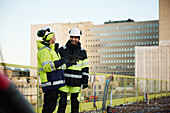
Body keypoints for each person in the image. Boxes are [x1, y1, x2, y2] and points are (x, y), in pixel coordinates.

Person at [37, 27, 75, 113]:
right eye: (54, 35)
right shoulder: (44, 51)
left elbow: (59, 66)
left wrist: (69, 63)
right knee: (48, 108)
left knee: (51, 107)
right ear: (50, 37)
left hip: (54, 83)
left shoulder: (52, 50)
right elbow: (48, 67)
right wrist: (62, 60)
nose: (55, 37)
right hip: (50, 83)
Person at [58, 27, 89, 113]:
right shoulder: (62, 50)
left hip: (77, 82)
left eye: (76, 37)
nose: (73, 39)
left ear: (79, 38)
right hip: (63, 81)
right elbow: (57, 65)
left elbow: (85, 68)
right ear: (69, 37)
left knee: (75, 106)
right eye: (72, 37)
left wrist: (85, 81)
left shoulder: (83, 52)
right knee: (62, 104)